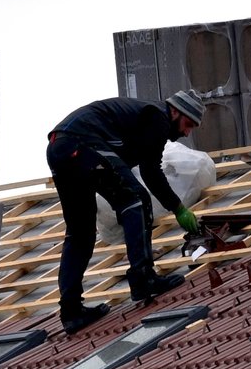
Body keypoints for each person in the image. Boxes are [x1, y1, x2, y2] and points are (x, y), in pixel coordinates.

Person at [46, 90, 204, 333]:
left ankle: (71, 311)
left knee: (81, 233)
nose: (186, 133)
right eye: (187, 124)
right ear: (174, 112)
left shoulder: (144, 122)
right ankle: (143, 278)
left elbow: (133, 168)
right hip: (81, 142)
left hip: (59, 148)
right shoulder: (158, 118)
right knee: (136, 200)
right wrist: (179, 208)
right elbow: (151, 173)